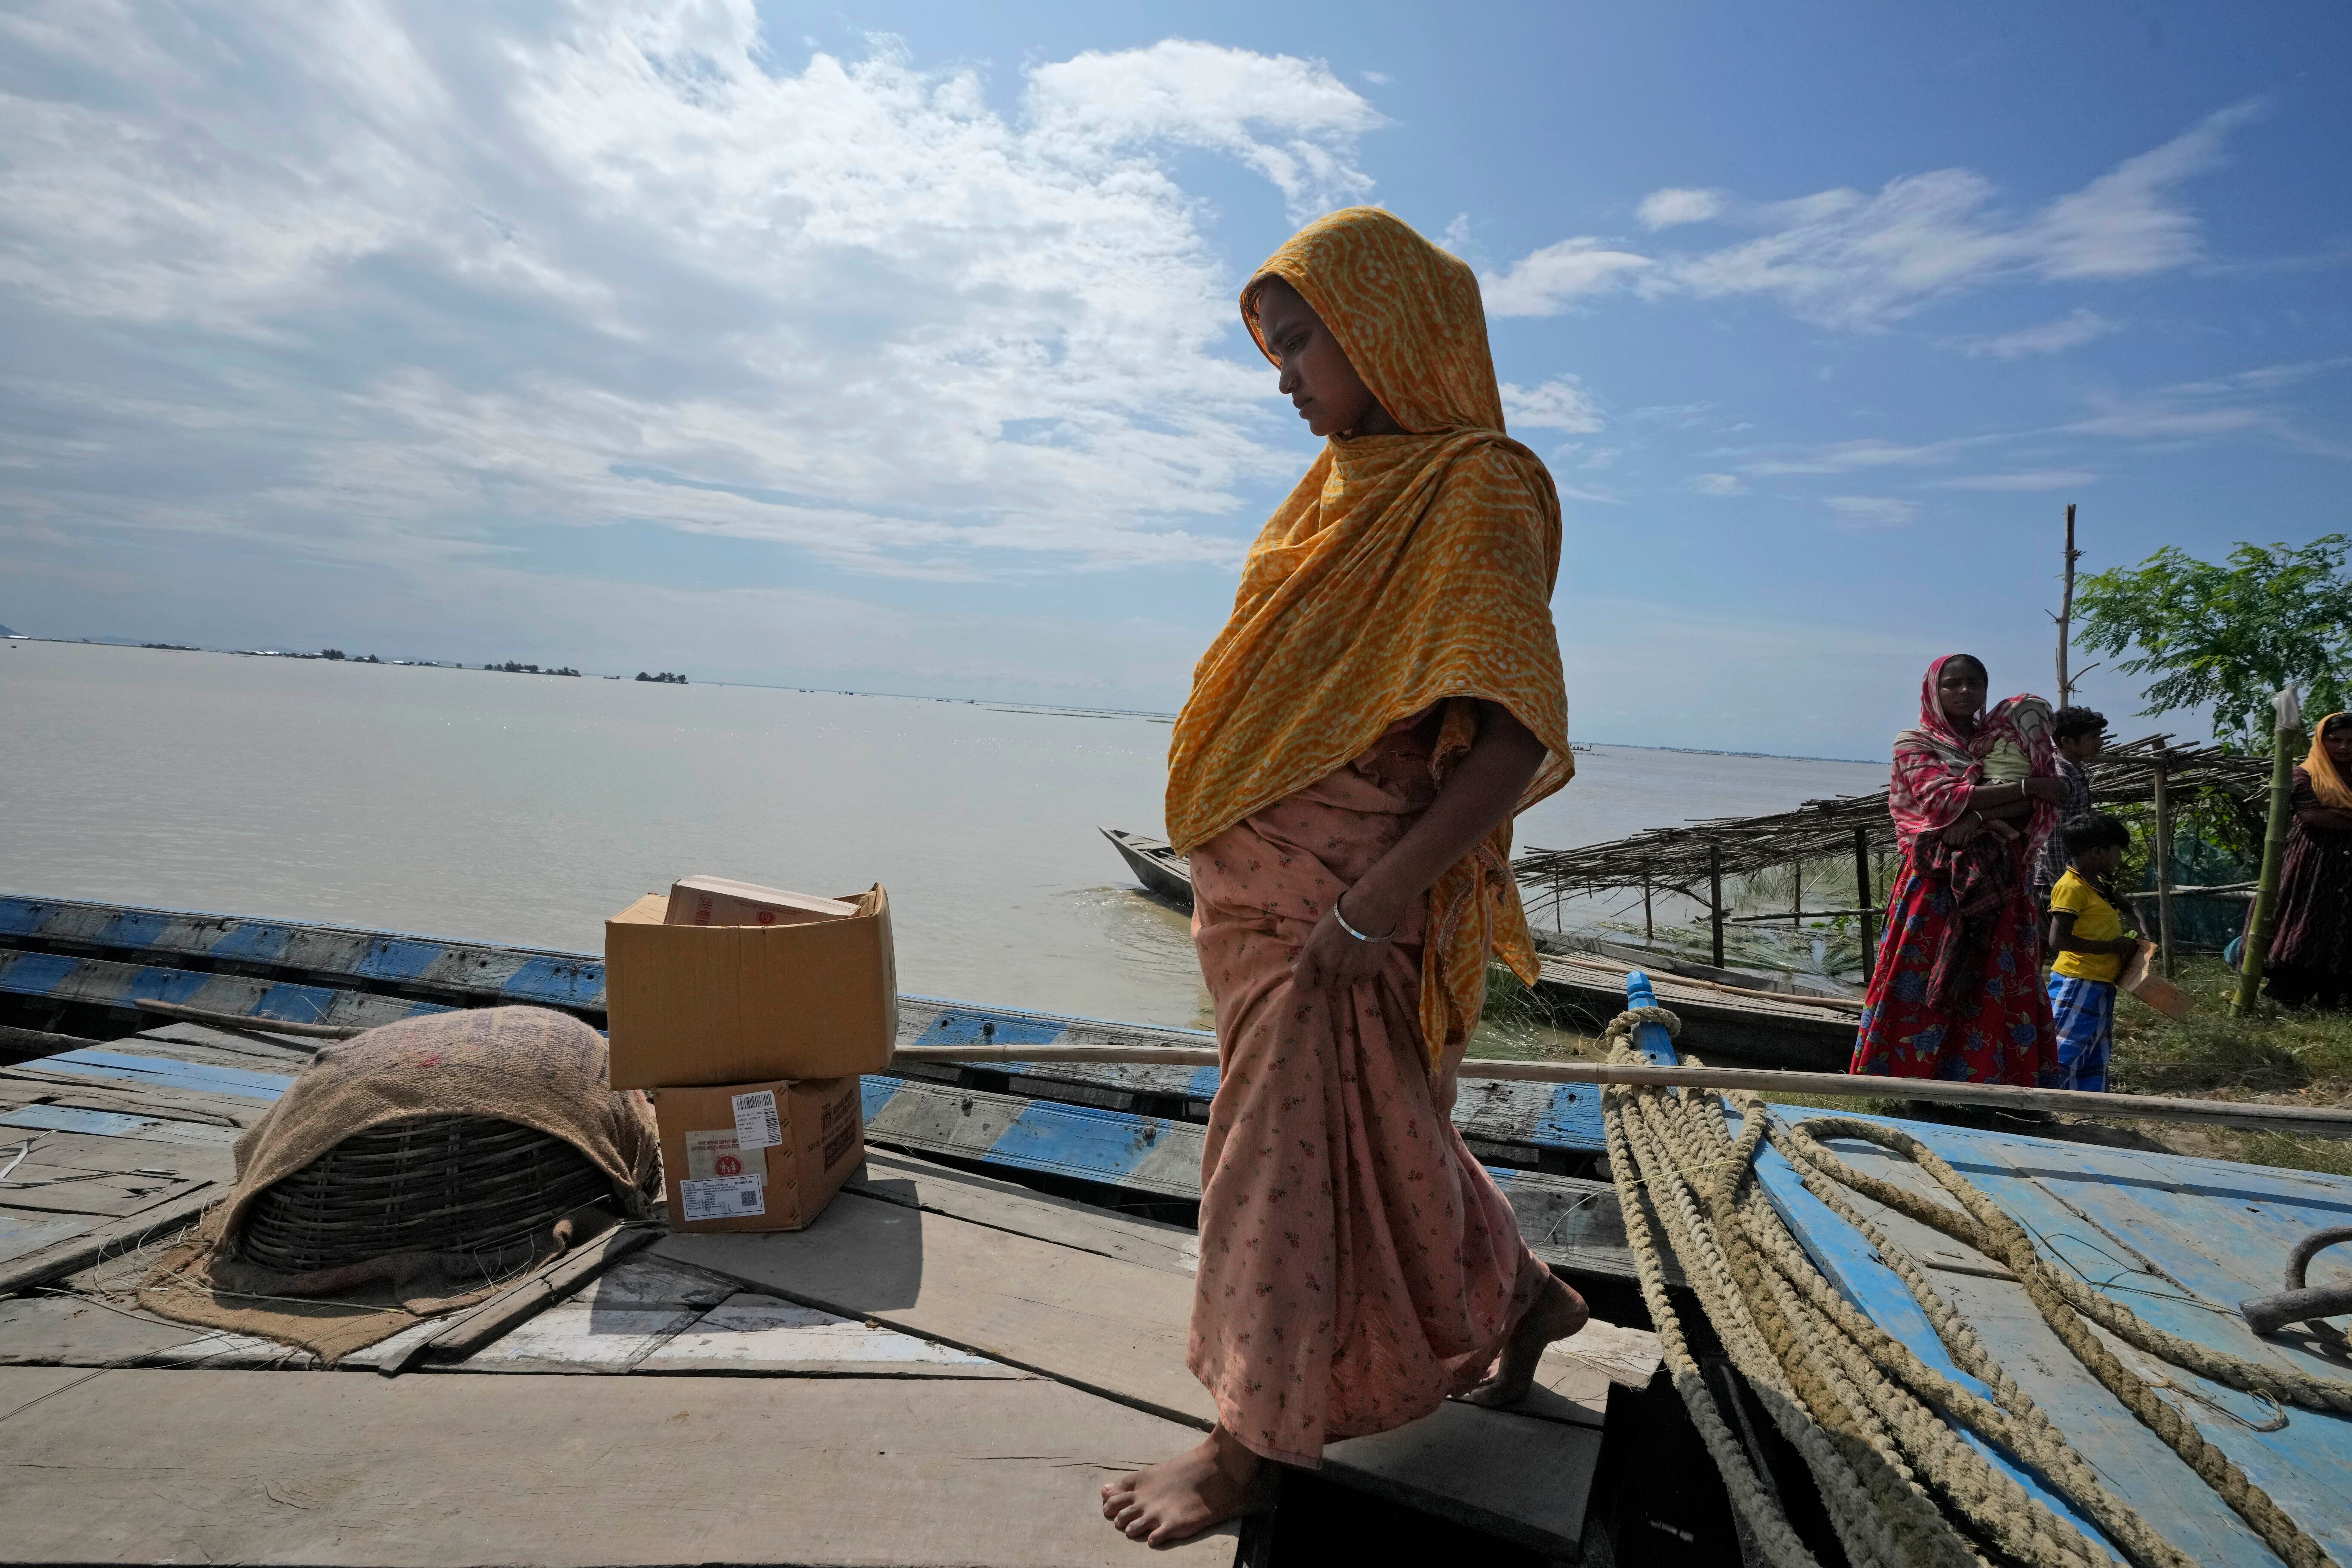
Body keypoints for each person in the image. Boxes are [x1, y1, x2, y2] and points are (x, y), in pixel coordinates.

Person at [1101, 207, 1588, 1547]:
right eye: (1274, 348)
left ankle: (1247, 1449)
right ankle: (1529, 1295)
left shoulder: (1472, 485)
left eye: (1304, 339)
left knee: (1268, 1164)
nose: (1285, 375)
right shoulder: (1331, 490)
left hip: (1339, 913)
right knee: (1371, 1140)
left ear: (1393, 327)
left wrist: (1373, 912)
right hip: (1260, 907)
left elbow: (1514, 731)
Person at [1852, 654, 2068, 1085]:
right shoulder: (1915, 741)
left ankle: (1993, 1088)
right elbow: (1940, 801)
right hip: (1935, 887)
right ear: (1934, 690)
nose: (1965, 692)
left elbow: (2048, 797)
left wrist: (1980, 816)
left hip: (2004, 879)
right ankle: (1909, 1084)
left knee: (1997, 982)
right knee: (1924, 981)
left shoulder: (2003, 739)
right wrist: (2023, 791)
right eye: (1954, 684)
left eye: (1975, 683)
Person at [2263, 712, 2352, 1009]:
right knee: (2308, 920)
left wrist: (2338, 815)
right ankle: (2291, 991)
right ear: (2321, 741)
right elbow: (2312, 815)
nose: (2343, 747)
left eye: (2351, 741)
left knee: (2346, 925)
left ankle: (2337, 995)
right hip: (2315, 863)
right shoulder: (2305, 774)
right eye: (2335, 740)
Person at [2045, 813, 2139, 1092]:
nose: (2119, 858)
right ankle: (2039, 1099)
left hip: (2100, 981)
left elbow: (2130, 907)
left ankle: (2084, 1101)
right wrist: (2115, 947)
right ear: (2099, 853)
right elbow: (2058, 941)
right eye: (2116, 851)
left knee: (2093, 1045)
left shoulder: (2100, 884)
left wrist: (2143, 935)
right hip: (2078, 980)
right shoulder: (2070, 888)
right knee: (2065, 1045)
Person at [2032, 706, 2107, 910]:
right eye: (2094, 737)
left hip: (2070, 878)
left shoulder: (2075, 772)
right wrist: (2065, 881)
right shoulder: (2060, 778)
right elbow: (2054, 836)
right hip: (2057, 881)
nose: (2100, 742)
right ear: (2066, 741)